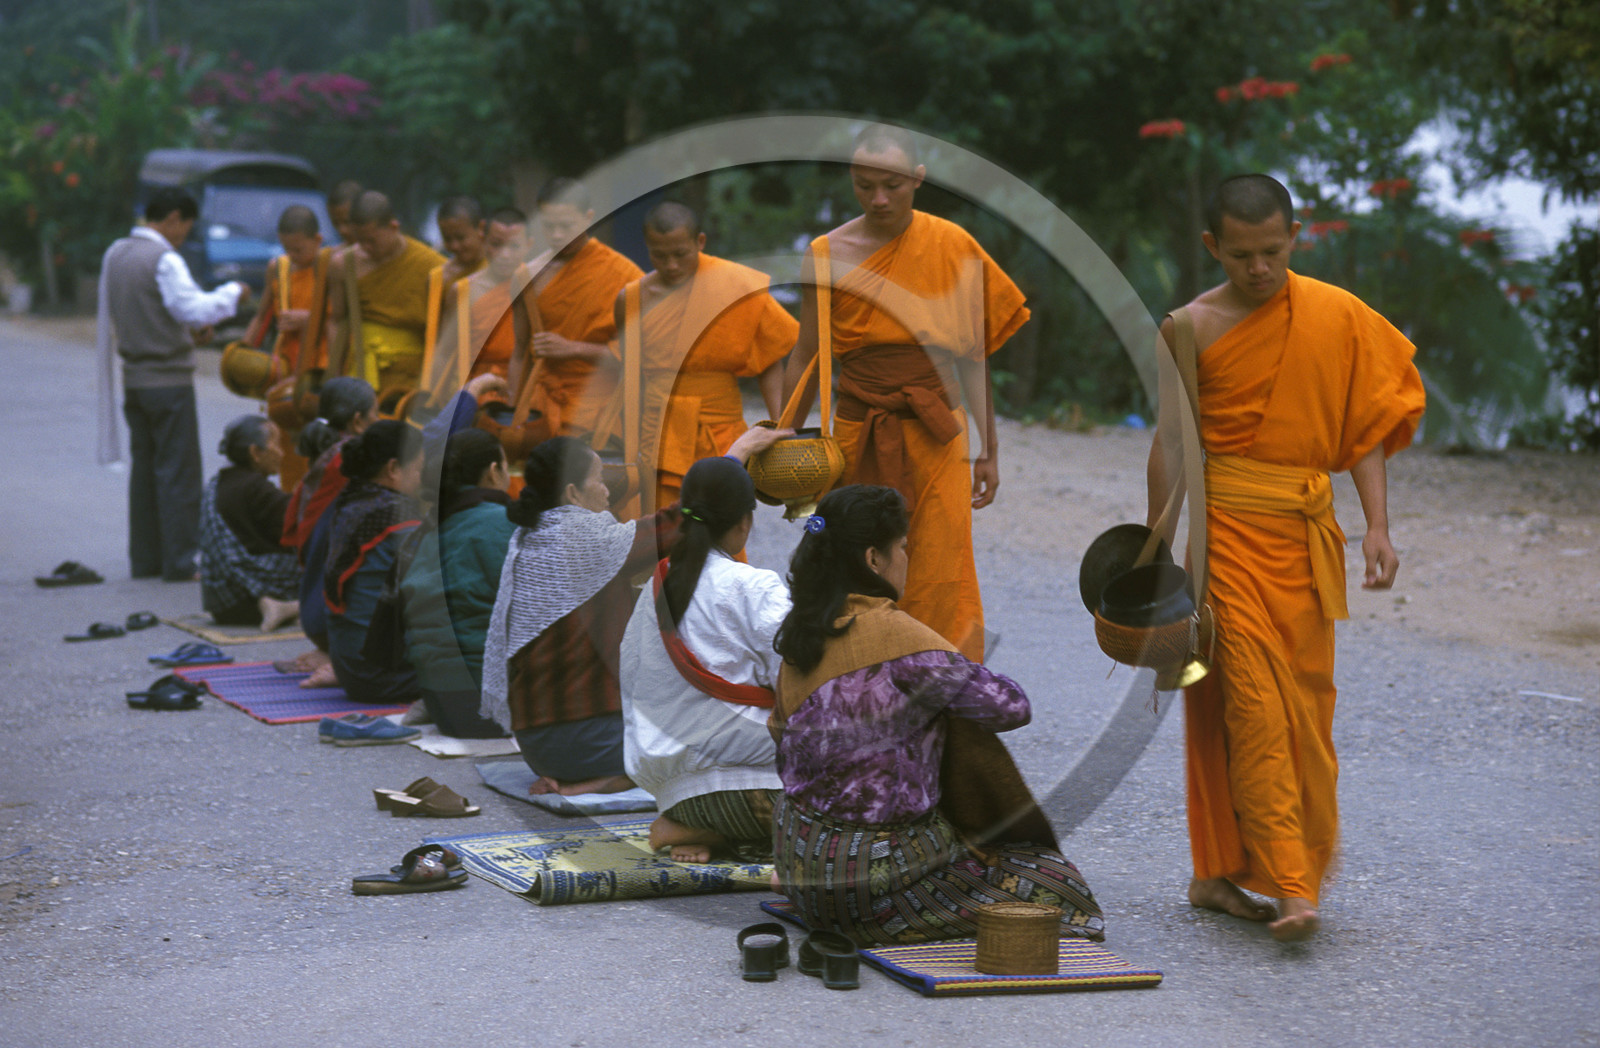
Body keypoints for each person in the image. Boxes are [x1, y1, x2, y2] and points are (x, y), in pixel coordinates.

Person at [1146, 173, 1425, 942]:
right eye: (1241, 256)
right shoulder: (1190, 328)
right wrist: (1152, 552)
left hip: (1305, 540)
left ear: (1295, 239)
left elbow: (1361, 428)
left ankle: (1215, 874)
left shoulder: (1335, 317)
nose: (1258, 268)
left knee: (1307, 709)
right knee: (1255, 706)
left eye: (1272, 251)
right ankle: (1294, 887)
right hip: (1227, 534)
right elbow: (1172, 443)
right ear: (1214, 247)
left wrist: (1377, 526)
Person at [769, 484, 1103, 946]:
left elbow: (781, 742)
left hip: (798, 863)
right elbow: (1010, 707)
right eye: (902, 548)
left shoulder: (800, 636)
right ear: (873, 559)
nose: (907, 558)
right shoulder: (901, 640)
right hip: (868, 889)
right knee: (1058, 885)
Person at [780, 124, 1029, 662]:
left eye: (891, 185)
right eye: (864, 185)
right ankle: (854, 679)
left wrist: (989, 448)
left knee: (942, 563)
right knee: (846, 552)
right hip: (856, 428)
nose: (878, 199)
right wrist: (781, 435)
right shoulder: (827, 253)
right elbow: (806, 352)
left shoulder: (953, 245)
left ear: (919, 179)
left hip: (936, 429)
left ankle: (942, 688)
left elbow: (972, 355)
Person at [482, 425, 785, 796]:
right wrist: (736, 454)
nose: (608, 491)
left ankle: (596, 778)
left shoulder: (530, 538)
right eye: (600, 480)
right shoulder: (584, 540)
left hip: (535, 744)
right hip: (585, 740)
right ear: (573, 493)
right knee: (718, 747)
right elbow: (678, 521)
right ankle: (605, 780)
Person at [619, 455, 790, 861]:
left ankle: (691, 826)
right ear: (744, 522)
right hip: (754, 791)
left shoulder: (655, 588)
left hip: (673, 794)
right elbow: (796, 679)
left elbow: (631, 676)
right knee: (861, 809)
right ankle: (714, 833)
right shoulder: (755, 586)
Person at [97, 186, 251, 580]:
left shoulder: (116, 254)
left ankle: (146, 559)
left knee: (146, 471)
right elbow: (191, 306)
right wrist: (233, 293)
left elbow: (147, 313)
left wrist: (184, 333)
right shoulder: (163, 258)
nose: (183, 235)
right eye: (185, 226)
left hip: (134, 380)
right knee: (178, 472)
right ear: (172, 219)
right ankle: (181, 561)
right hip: (168, 381)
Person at [616, 201, 798, 511]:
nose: (671, 265)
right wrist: (628, 445)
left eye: (680, 254)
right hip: (659, 431)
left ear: (699, 242)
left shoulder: (736, 285)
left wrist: (783, 429)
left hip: (721, 428)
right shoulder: (632, 299)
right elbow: (631, 377)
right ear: (647, 248)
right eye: (659, 255)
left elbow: (769, 361)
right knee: (663, 530)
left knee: (724, 522)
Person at [479, 178, 642, 460]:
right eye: (548, 225)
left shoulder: (625, 275)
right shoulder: (528, 275)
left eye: (566, 226)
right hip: (541, 407)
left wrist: (574, 349)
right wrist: (516, 416)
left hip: (601, 406)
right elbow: (520, 353)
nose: (556, 235)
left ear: (589, 217)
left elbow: (641, 355)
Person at [397, 429, 515, 737]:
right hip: (492, 706)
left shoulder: (430, 529)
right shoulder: (503, 521)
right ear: (493, 471)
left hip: (440, 703)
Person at [280, 376, 378, 683]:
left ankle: (333, 650)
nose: (379, 420)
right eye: (376, 414)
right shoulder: (354, 462)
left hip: (314, 612)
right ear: (359, 420)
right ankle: (347, 657)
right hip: (330, 617)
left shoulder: (329, 456)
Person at [323, 420, 425, 704]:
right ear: (393, 469)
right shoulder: (399, 519)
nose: (421, 479)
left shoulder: (352, 500)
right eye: (417, 469)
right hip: (380, 676)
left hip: (348, 666)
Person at [241, 205, 330, 492]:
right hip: (286, 370)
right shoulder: (277, 269)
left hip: (321, 372)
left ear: (318, 240)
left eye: (299, 250)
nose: (292, 256)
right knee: (287, 446)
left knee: (320, 448)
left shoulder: (332, 269)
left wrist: (309, 320)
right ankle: (290, 505)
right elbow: (261, 315)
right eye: (287, 249)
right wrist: (243, 351)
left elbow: (347, 323)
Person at [328, 191, 445, 400]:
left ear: (393, 226)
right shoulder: (344, 265)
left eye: (372, 240)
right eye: (360, 240)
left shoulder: (432, 266)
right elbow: (337, 321)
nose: (366, 248)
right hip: (362, 373)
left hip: (414, 377)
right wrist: (335, 377)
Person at [199, 415, 300, 630]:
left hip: (223, 603)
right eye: (276, 444)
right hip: (249, 597)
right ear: (255, 452)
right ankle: (292, 606)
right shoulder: (255, 488)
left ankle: (285, 607)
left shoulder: (219, 482)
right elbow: (298, 524)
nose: (282, 453)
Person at [423, 208, 530, 401]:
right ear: (484, 240)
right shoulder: (463, 291)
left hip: (525, 385)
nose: (504, 255)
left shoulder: (536, 286)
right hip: (474, 388)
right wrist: (436, 401)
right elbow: (444, 354)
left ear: (528, 246)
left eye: (514, 246)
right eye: (496, 245)